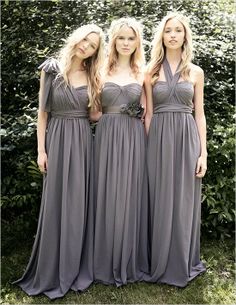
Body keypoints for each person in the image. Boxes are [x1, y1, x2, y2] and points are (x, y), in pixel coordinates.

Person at [14, 24, 105, 299]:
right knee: (55, 201)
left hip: (81, 141)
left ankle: (76, 264)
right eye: (84, 40)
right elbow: (43, 115)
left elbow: (94, 116)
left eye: (92, 45)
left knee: (79, 201)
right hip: (56, 138)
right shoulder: (51, 68)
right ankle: (52, 266)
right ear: (76, 37)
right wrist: (41, 151)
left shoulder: (92, 76)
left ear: (95, 52)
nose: (85, 46)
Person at [144, 12, 207, 287]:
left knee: (183, 200)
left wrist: (203, 153)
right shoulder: (150, 72)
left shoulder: (195, 72)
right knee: (157, 197)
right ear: (162, 36)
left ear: (185, 36)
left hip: (185, 138)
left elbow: (200, 114)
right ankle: (156, 258)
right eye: (168, 30)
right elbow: (147, 113)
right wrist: (147, 145)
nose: (172, 35)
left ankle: (181, 260)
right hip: (157, 138)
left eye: (177, 31)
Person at [92, 17, 149, 286]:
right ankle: (103, 258)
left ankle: (129, 259)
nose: (126, 43)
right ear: (113, 40)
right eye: (121, 38)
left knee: (130, 194)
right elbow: (92, 111)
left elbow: (147, 112)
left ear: (138, 42)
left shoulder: (144, 73)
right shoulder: (100, 71)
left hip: (134, 138)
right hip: (106, 136)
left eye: (131, 38)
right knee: (107, 192)